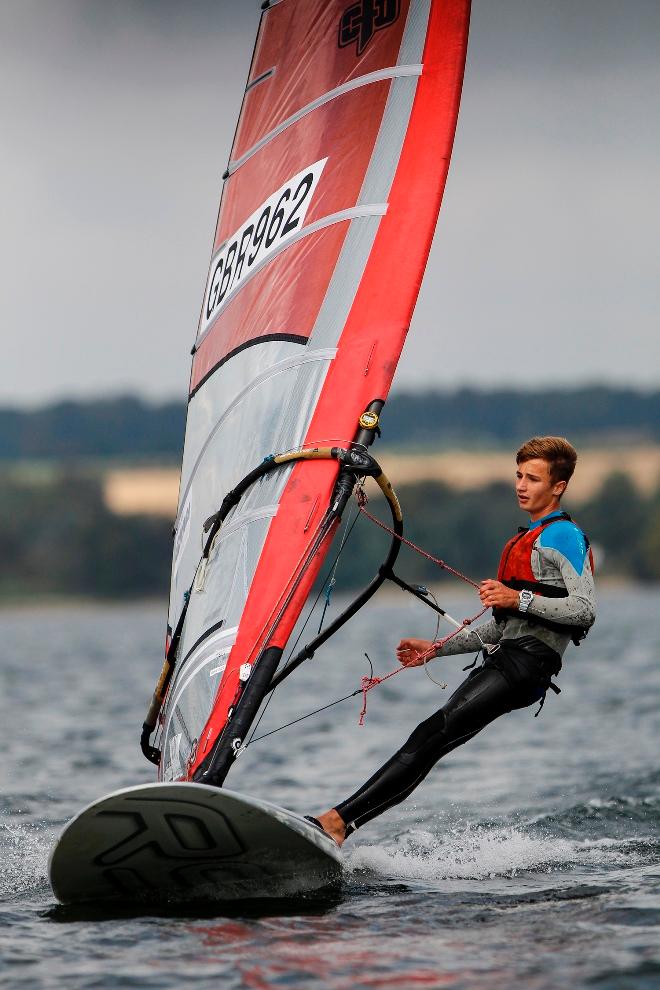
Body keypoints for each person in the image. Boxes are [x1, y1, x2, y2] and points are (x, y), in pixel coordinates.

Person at [308, 436, 596, 845]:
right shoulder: (524, 540)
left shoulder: (564, 535)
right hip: (509, 658)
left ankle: (337, 823)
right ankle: (341, 825)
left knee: (432, 734)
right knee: (433, 738)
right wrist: (436, 649)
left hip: (528, 665)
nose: (521, 485)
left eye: (533, 478)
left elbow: (585, 609)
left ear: (558, 486)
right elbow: (500, 629)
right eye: (518, 475)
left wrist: (518, 597)